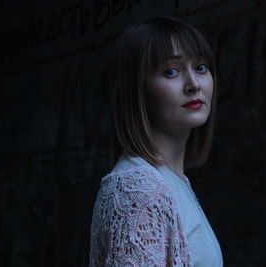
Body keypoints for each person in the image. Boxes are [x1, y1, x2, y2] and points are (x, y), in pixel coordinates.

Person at [89, 16, 224, 266]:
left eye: (201, 67)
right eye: (171, 71)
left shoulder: (170, 181)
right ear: (137, 88)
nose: (194, 84)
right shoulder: (137, 189)